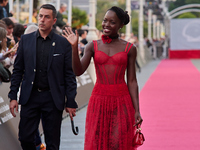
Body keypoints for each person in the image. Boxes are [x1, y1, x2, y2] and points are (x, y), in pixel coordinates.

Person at [63, 6, 143, 150]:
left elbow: (132, 81)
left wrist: (137, 109)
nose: (106, 24)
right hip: (99, 99)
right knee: (98, 141)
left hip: (122, 100)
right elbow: (78, 71)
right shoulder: (92, 46)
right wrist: (74, 48)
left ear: (121, 25)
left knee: (118, 142)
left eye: (112, 22)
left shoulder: (130, 48)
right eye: (105, 20)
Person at [8, 4, 77, 150]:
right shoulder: (26, 40)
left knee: (52, 143)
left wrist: (70, 101)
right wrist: (13, 96)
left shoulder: (63, 43)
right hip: (30, 96)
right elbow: (18, 70)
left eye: (47, 17)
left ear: (53, 20)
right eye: (40, 16)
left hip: (53, 98)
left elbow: (69, 74)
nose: (42, 20)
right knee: (25, 138)